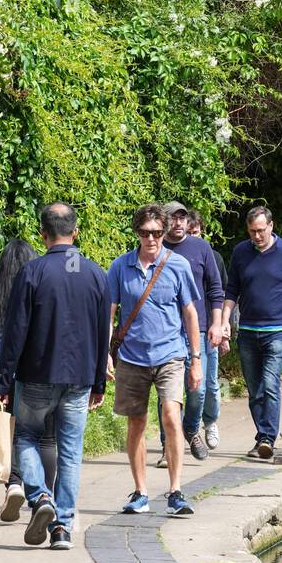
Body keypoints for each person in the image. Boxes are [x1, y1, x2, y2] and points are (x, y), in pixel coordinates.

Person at [0, 203, 110, 551]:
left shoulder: (31, 272)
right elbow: (102, 331)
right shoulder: (95, 274)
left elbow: (15, 332)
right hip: (79, 378)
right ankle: (62, 528)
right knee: (71, 452)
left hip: (35, 376)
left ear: (43, 234)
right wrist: (99, 381)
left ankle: (40, 495)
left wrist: (3, 382)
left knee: (26, 438)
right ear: (75, 232)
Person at [109, 203, 203, 518]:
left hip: (170, 354)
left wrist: (196, 358)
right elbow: (109, 314)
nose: (153, 239)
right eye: (147, 233)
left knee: (172, 417)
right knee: (136, 422)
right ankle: (141, 492)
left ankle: (175, 491)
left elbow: (190, 313)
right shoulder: (120, 267)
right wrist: (102, 357)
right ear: (137, 233)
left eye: (158, 233)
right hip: (132, 357)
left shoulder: (177, 266)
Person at [220, 206, 282, 461]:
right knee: (255, 389)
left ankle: (265, 438)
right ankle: (263, 435)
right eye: (252, 231)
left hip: (277, 330)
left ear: (271, 226)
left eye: (261, 230)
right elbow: (232, 290)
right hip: (249, 331)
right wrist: (224, 321)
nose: (257, 236)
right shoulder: (242, 252)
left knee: (270, 384)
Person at [0, 239, 58, 522]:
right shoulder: (43, 291)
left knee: (13, 434)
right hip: (41, 375)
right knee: (46, 439)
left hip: (7, 378)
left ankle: (14, 484)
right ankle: (44, 498)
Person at [155, 201, 223, 463]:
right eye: (174, 218)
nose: (180, 222)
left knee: (199, 389)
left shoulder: (201, 248)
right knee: (168, 394)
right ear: (165, 221)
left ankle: (192, 428)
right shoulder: (155, 249)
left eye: (183, 218)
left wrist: (217, 324)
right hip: (168, 332)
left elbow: (216, 289)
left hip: (200, 329)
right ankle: (167, 448)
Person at [189, 210, 228, 449]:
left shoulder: (212, 257)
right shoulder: (172, 256)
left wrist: (223, 328)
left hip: (208, 329)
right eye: (189, 233)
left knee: (210, 384)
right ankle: (187, 431)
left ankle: (210, 421)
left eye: (196, 233)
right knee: (191, 386)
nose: (193, 238)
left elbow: (220, 295)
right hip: (183, 330)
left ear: (202, 231)